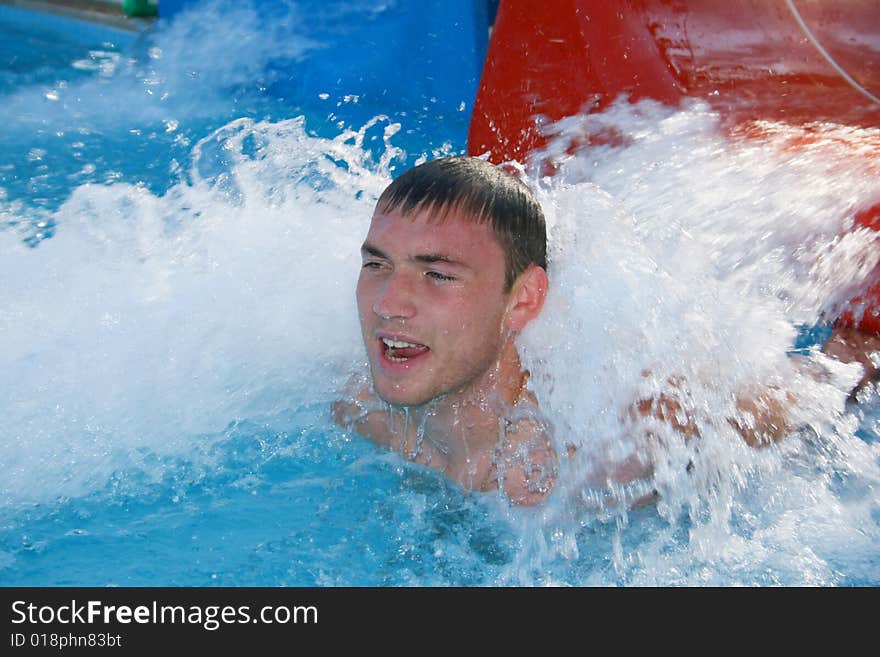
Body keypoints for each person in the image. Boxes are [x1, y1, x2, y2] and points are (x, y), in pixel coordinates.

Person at [333, 156, 875, 506]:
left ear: (522, 301)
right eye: (376, 265)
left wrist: (851, 361)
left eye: (438, 275)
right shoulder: (361, 413)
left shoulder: (607, 456)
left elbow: (797, 403)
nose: (389, 304)